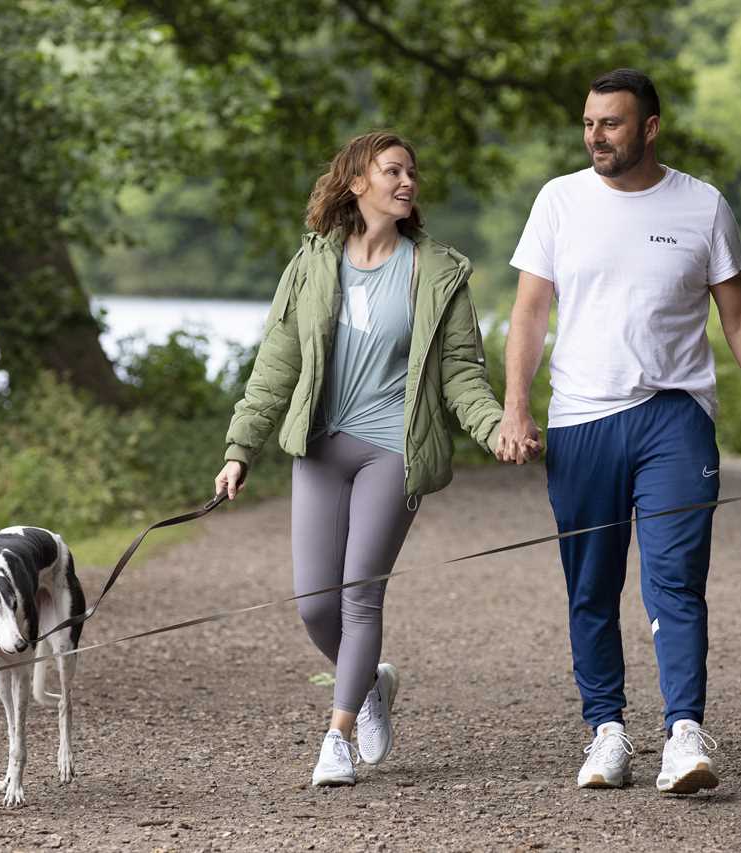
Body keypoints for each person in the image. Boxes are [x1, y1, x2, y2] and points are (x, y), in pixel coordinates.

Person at [497, 69, 741, 793]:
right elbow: (530, 313)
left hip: (675, 416)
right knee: (591, 586)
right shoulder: (559, 201)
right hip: (581, 419)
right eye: (589, 123)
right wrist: (516, 405)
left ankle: (683, 732)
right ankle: (606, 731)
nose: (597, 136)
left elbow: (739, 317)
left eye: (612, 123)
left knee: (676, 580)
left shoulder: (701, 205)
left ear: (650, 128)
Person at [215, 131, 534, 788]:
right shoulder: (311, 264)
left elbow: (461, 376)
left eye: (413, 172)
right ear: (357, 181)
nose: (407, 181)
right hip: (322, 449)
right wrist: (240, 446)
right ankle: (368, 686)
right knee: (313, 604)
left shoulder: (435, 270)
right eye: (393, 170)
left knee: (360, 591)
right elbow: (275, 363)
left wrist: (495, 426)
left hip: (394, 448)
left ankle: (335, 736)